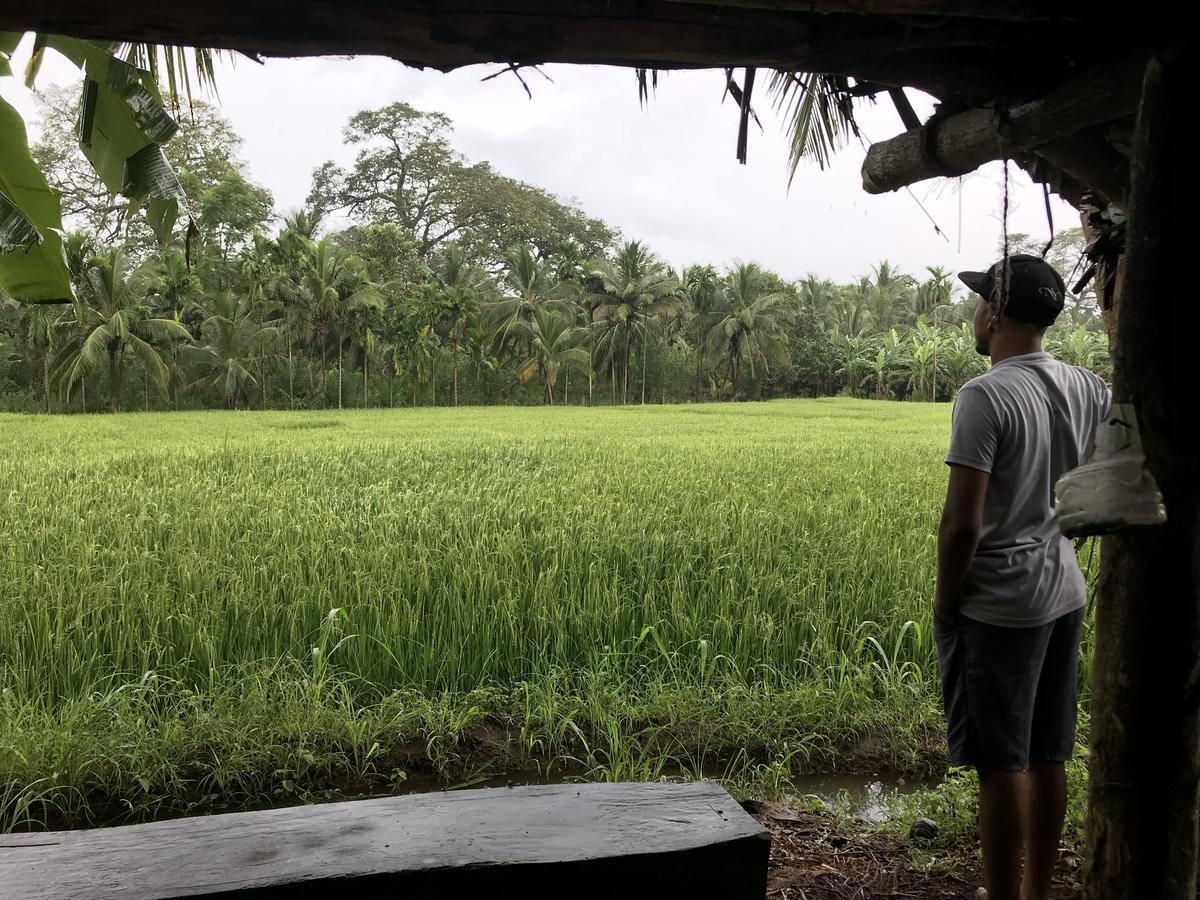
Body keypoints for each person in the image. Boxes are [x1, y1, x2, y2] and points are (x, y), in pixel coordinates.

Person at [933, 254, 1110, 900]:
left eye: (981, 300)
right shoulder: (1089, 387)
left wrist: (947, 603)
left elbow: (961, 524)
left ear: (997, 313)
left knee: (1000, 763)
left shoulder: (983, 396)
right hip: (1063, 592)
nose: (975, 311)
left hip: (1000, 604)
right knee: (1048, 752)